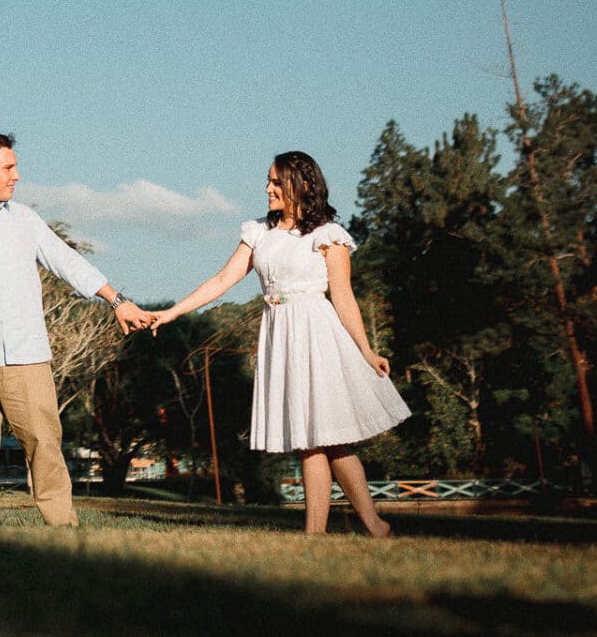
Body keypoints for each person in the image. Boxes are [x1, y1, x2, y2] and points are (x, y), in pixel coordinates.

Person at [150, 150, 409, 536]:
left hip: (318, 335)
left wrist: (367, 350)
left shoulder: (328, 236)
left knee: (330, 438)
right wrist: (171, 313)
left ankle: (354, 528)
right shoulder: (259, 233)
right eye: (268, 181)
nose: (267, 188)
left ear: (301, 185)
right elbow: (221, 282)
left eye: (276, 182)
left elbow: (343, 296)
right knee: (311, 440)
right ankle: (352, 530)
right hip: (279, 335)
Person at [0, 131, 153, 528]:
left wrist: (117, 300)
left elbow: (68, 261)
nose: (17, 176)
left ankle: (62, 525)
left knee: (44, 444)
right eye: (8, 168)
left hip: (27, 356)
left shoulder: (25, 220)